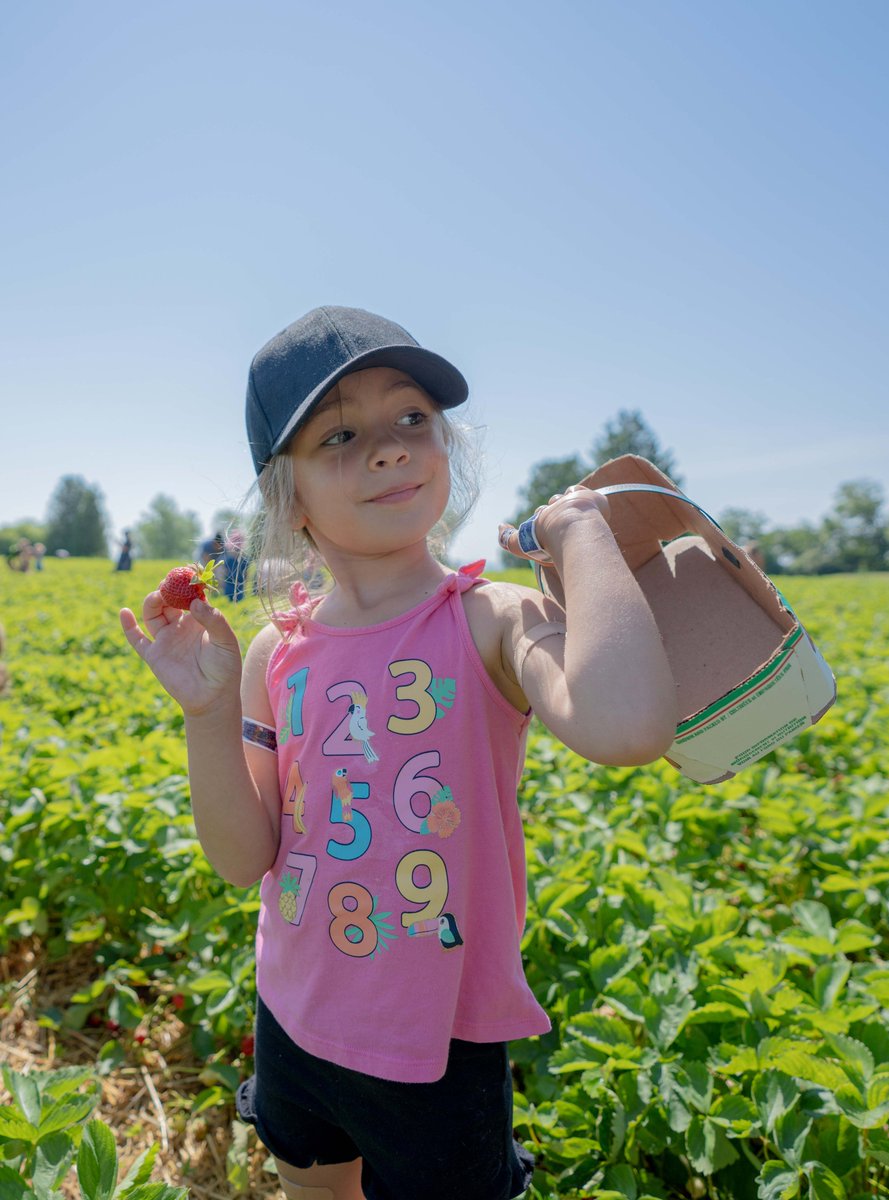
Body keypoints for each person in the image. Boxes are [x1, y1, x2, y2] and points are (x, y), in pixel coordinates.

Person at [118, 305, 676, 1200]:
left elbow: (626, 727)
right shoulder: (274, 653)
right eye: (341, 435)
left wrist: (584, 535)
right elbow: (243, 859)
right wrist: (208, 714)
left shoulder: (491, 619)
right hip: (292, 1014)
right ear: (288, 495)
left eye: (412, 417)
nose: (389, 449)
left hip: (438, 1043)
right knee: (313, 1187)